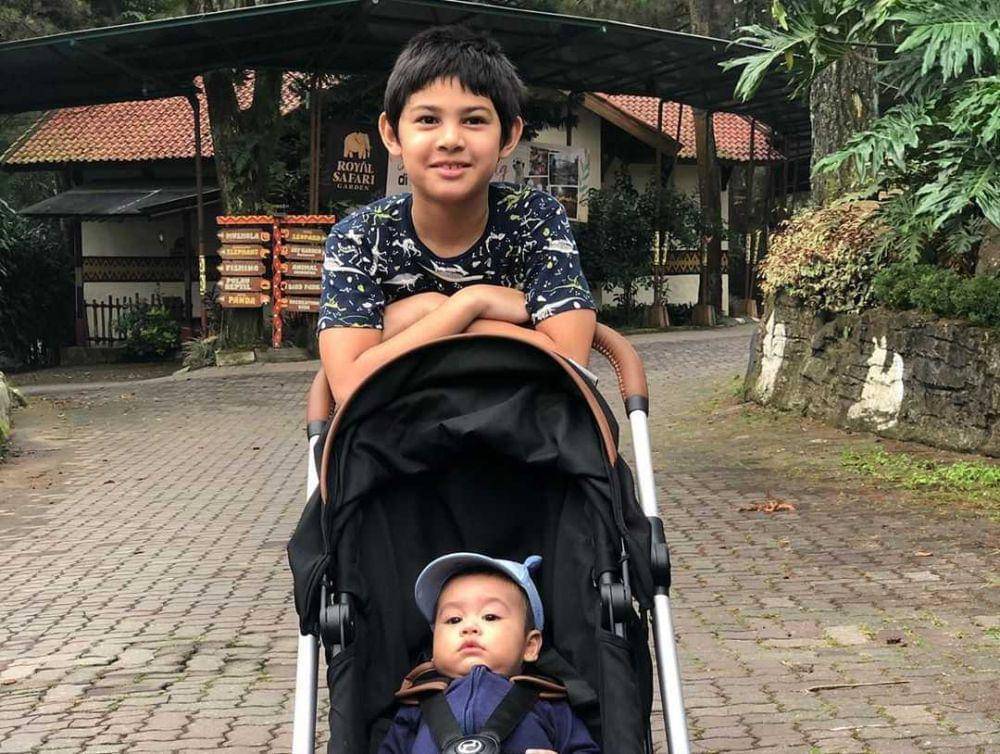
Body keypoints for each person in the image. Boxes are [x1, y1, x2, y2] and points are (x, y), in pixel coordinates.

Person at [318, 25, 597, 406]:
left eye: (474, 120)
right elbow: (350, 385)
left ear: (509, 136)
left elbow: (570, 364)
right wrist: (462, 305)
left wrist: (413, 320)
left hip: (525, 433)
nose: (450, 139)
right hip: (395, 435)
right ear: (392, 134)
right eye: (428, 120)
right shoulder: (359, 238)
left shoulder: (535, 219)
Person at [378, 553, 600, 754]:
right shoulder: (416, 708)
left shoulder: (548, 704)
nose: (469, 627)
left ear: (530, 646)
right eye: (454, 620)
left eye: (490, 616)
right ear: (433, 648)